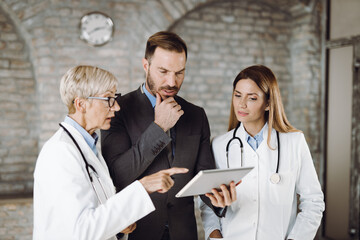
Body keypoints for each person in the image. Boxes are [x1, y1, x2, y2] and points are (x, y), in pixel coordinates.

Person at [101, 31, 236, 240]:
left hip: (184, 233)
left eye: (179, 72)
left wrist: (218, 201)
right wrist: (159, 127)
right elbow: (118, 174)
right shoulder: (118, 110)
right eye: (163, 71)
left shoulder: (196, 115)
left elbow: (202, 174)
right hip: (138, 232)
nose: (172, 82)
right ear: (146, 66)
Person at [33, 65, 189, 240]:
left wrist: (119, 226)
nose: (116, 107)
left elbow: (96, 215)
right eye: (108, 99)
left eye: (114, 98)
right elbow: (80, 232)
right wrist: (143, 187)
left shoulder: (89, 148)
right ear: (81, 104)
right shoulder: (59, 152)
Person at [200, 65, 325, 240]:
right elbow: (208, 203)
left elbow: (313, 202)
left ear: (268, 103)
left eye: (251, 98)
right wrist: (214, 235)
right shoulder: (220, 145)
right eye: (237, 95)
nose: (241, 104)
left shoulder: (294, 142)